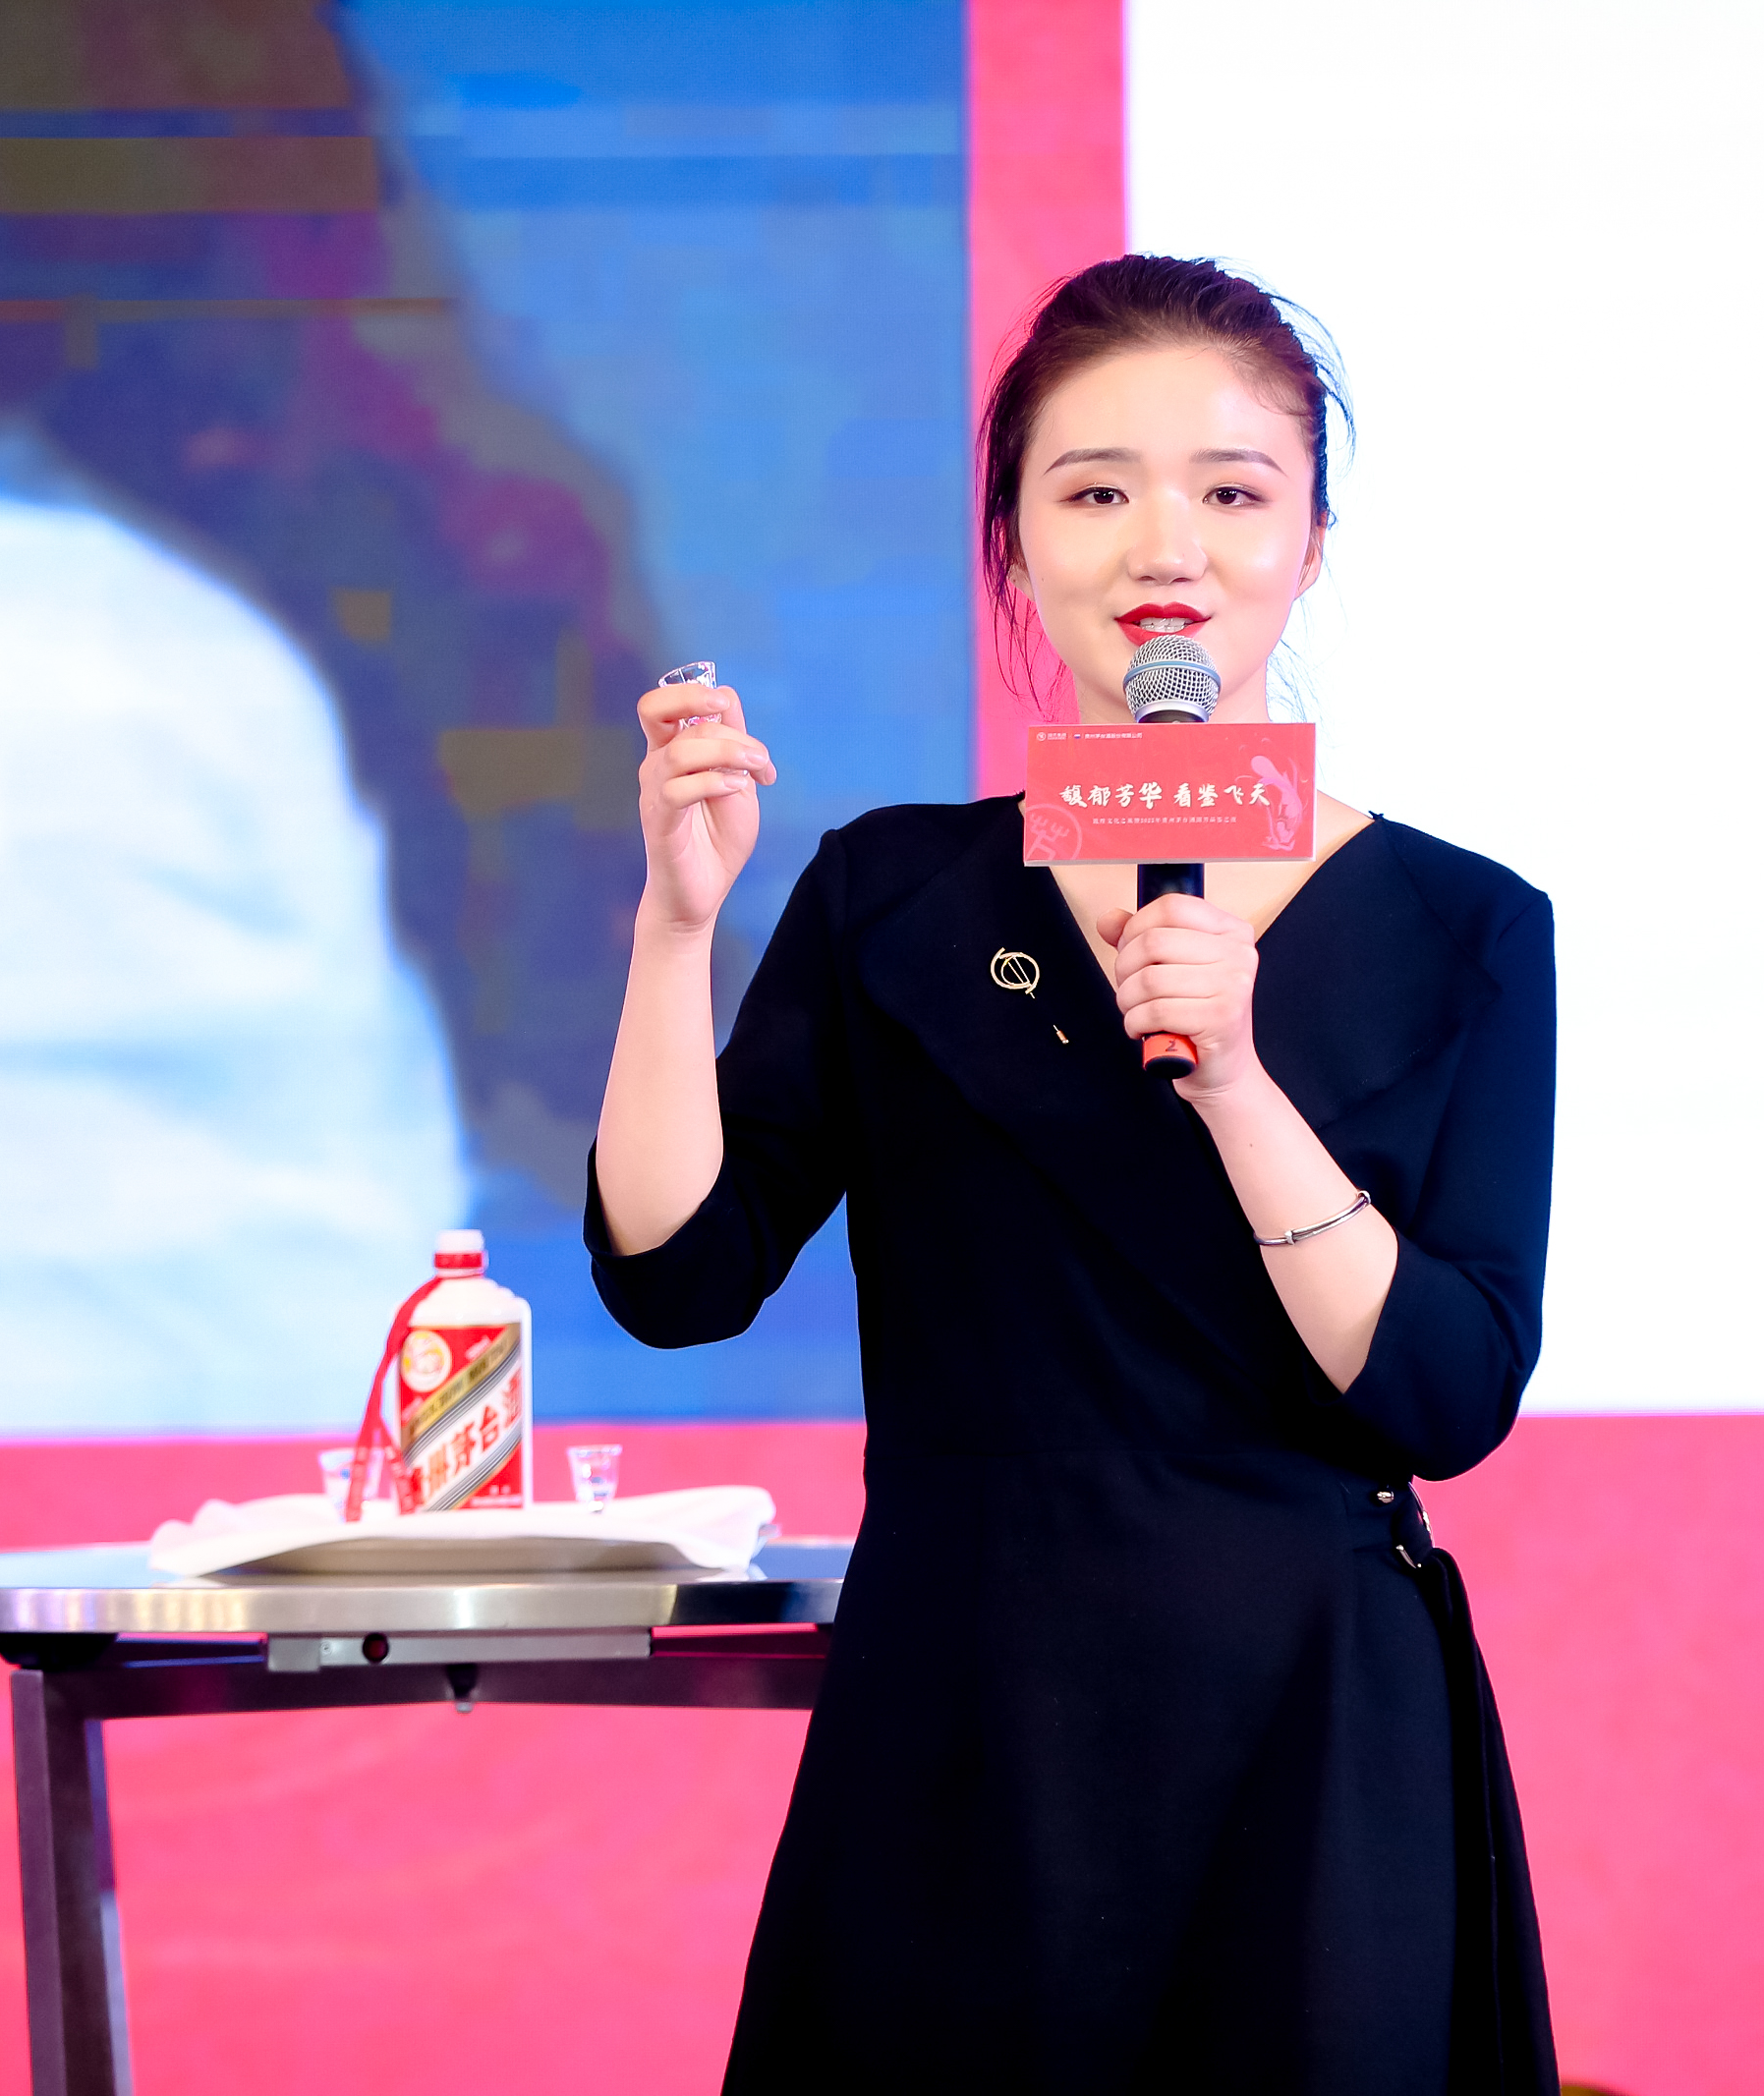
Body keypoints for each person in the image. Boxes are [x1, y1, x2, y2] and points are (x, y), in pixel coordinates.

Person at [590, 255, 1558, 2092]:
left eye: (1232, 491)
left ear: (1313, 543)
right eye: (1096, 489)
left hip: (1307, 1724)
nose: (1163, 546)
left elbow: (1445, 1393)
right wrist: (675, 928)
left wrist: (1241, 1080)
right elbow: (676, 1275)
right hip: (970, 1710)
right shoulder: (894, 895)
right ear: (1017, 542)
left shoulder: (1467, 925)